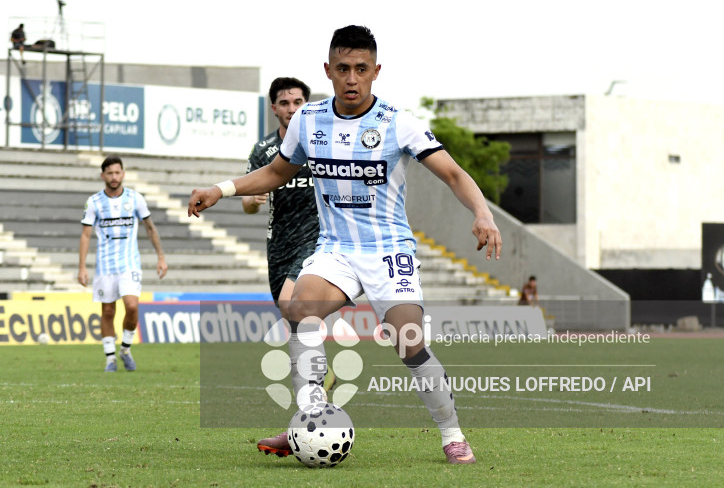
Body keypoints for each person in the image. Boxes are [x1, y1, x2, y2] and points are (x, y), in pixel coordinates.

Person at [188, 25, 502, 465]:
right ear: (328, 70)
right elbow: (276, 172)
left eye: (360, 68)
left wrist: (483, 213)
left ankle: (453, 435)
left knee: (408, 341)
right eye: (342, 69)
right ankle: (309, 421)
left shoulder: (398, 123)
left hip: (388, 249)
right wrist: (221, 189)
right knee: (299, 310)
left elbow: (453, 173)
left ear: (376, 71)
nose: (351, 78)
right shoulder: (308, 120)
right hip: (336, 249)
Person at [242, 77, 336, 407]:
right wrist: (252, 201)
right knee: (290, 316)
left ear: (307, 105)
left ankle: (313, 395)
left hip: (315, 237)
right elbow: (248, 203)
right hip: (279, 241)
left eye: (298, 102)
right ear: (274, 108)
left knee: (290, 303)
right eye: (284, 103)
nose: (291, 109)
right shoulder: (263, 151)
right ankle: (318, 380)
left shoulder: (320, 141)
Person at [79, 156, 168, 372]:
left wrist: (161, 256)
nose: (114, 177)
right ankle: (110, 357)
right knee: (108, 311)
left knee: (132, 306)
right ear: (103, 175)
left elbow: (150, 228)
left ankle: (125, 349)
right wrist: (82, 266)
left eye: (117, 172)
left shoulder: (135, 199)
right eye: (110, 173)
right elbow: (85, 234)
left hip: (130, 263)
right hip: (105, 265)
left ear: (123, 174)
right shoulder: (94, 202)